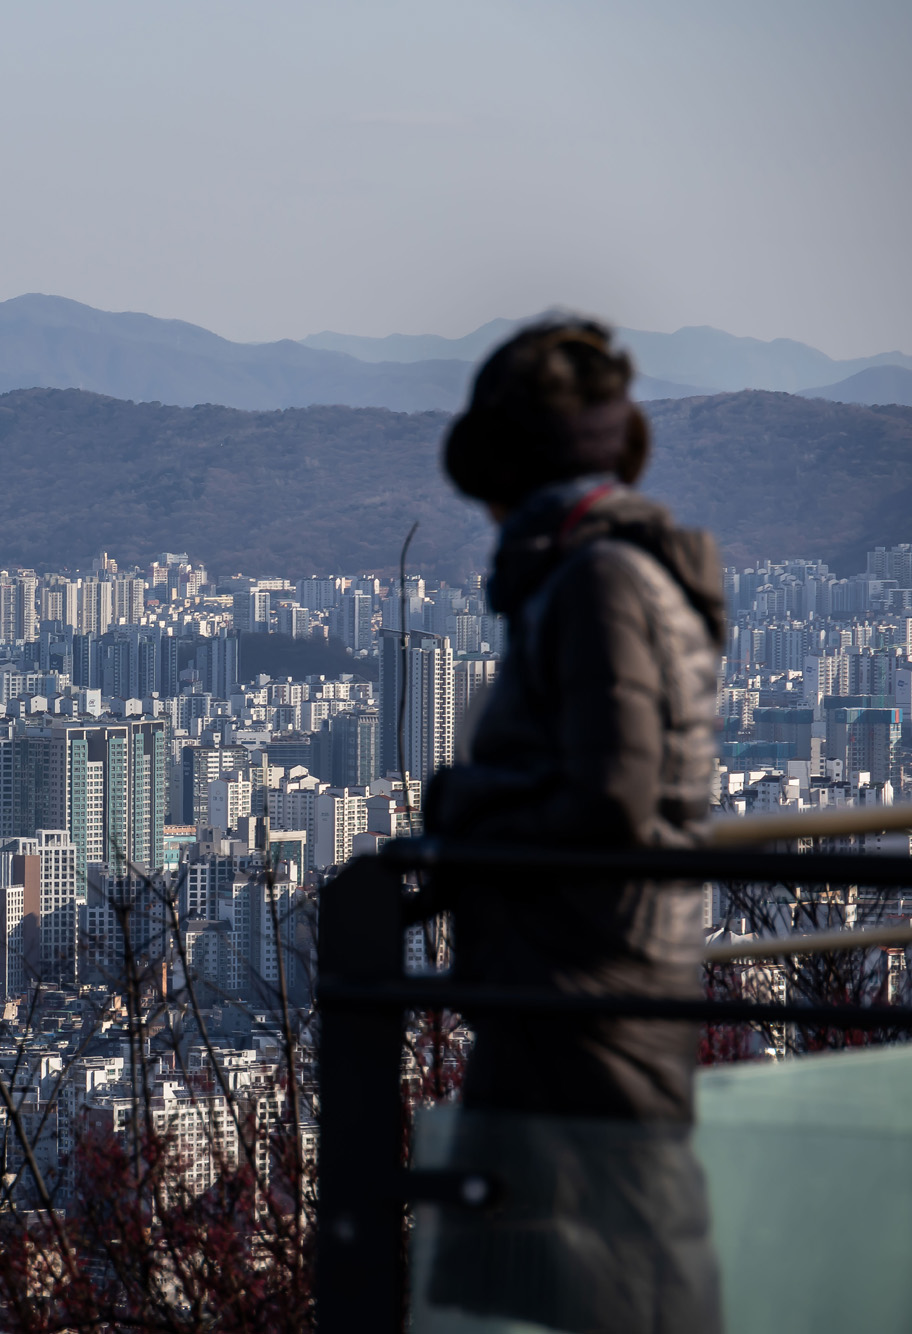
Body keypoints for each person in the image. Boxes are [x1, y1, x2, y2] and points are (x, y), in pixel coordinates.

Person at [422, 319, 725, 1334]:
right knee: (587, 1256)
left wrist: (465, 808)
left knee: (608, 1259)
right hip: (591, 962)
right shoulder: (609, 572)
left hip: (587, 972)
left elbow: (612, 794)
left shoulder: (596, 581)